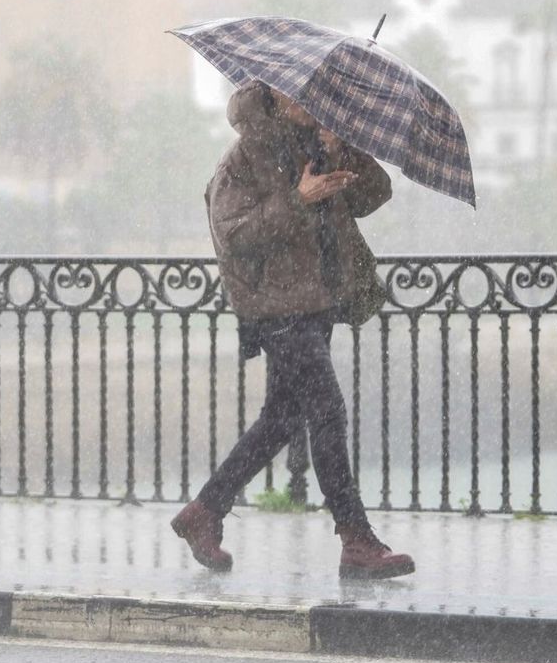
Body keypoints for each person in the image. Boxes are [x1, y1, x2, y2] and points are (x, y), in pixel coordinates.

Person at [170, 81, 415, 580]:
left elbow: (372, 195)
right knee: (326, 409)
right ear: (275, 95)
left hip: (318, 300)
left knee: (281, 418)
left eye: (318, 91)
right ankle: (356, 539)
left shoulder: (316, 142)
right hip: (274, 306)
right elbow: (232, 236)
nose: (313, 100)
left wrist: (341, 150)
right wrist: (298, 198)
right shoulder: (243, 157)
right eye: (301, 93)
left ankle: (204, 511)